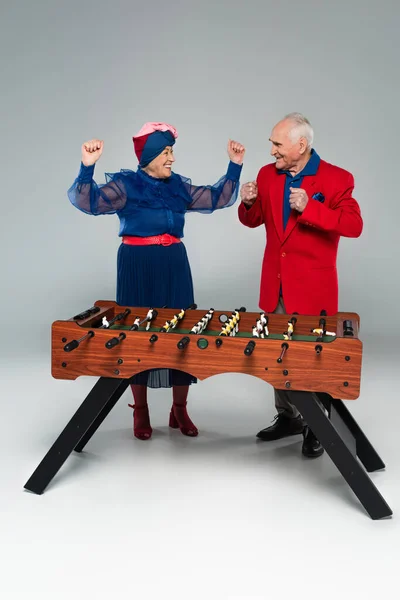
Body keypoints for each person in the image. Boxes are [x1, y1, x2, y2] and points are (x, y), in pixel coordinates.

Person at [67, 122, 245, 440]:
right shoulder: (126, 186)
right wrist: (87, 167)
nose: (172, 159)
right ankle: (141, 410)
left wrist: (234, 165)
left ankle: (179, 409)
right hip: (137, 266)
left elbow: (217, 197)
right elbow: (87, 201)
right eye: (166, 152)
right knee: (137, 337)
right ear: (148, 157)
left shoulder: (177, 186)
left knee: (183, 334)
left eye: (171, 151)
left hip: (175, 266)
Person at [238, 112, 363, 458]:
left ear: (301, 145)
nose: (272, 151)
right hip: (275, 285)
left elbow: (353, 225)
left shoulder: (337, 179)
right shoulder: (266, 175)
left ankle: (315, 425)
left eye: (277, 145)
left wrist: (311, 209)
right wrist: (248, 204)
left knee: (311, 359)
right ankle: (288, 417)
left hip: (313, 289)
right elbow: (254, 220)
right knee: (276, 354)